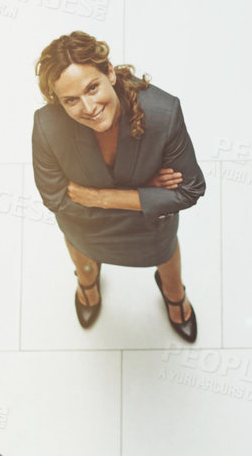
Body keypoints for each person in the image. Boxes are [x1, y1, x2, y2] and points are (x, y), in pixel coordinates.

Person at [32, 31, 206, 340]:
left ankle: (174, 294)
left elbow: (191, 189)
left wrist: (101, 198)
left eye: (92, 87)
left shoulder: (163, 114)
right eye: (71, 100)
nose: (87, 107)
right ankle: (87, 283)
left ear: (109, 72)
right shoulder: (47, 125)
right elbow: (55, 198)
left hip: (148, 227)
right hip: (86, 226)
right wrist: (147, 192)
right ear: (58, 102)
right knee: (82, 257)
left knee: (165, 252)